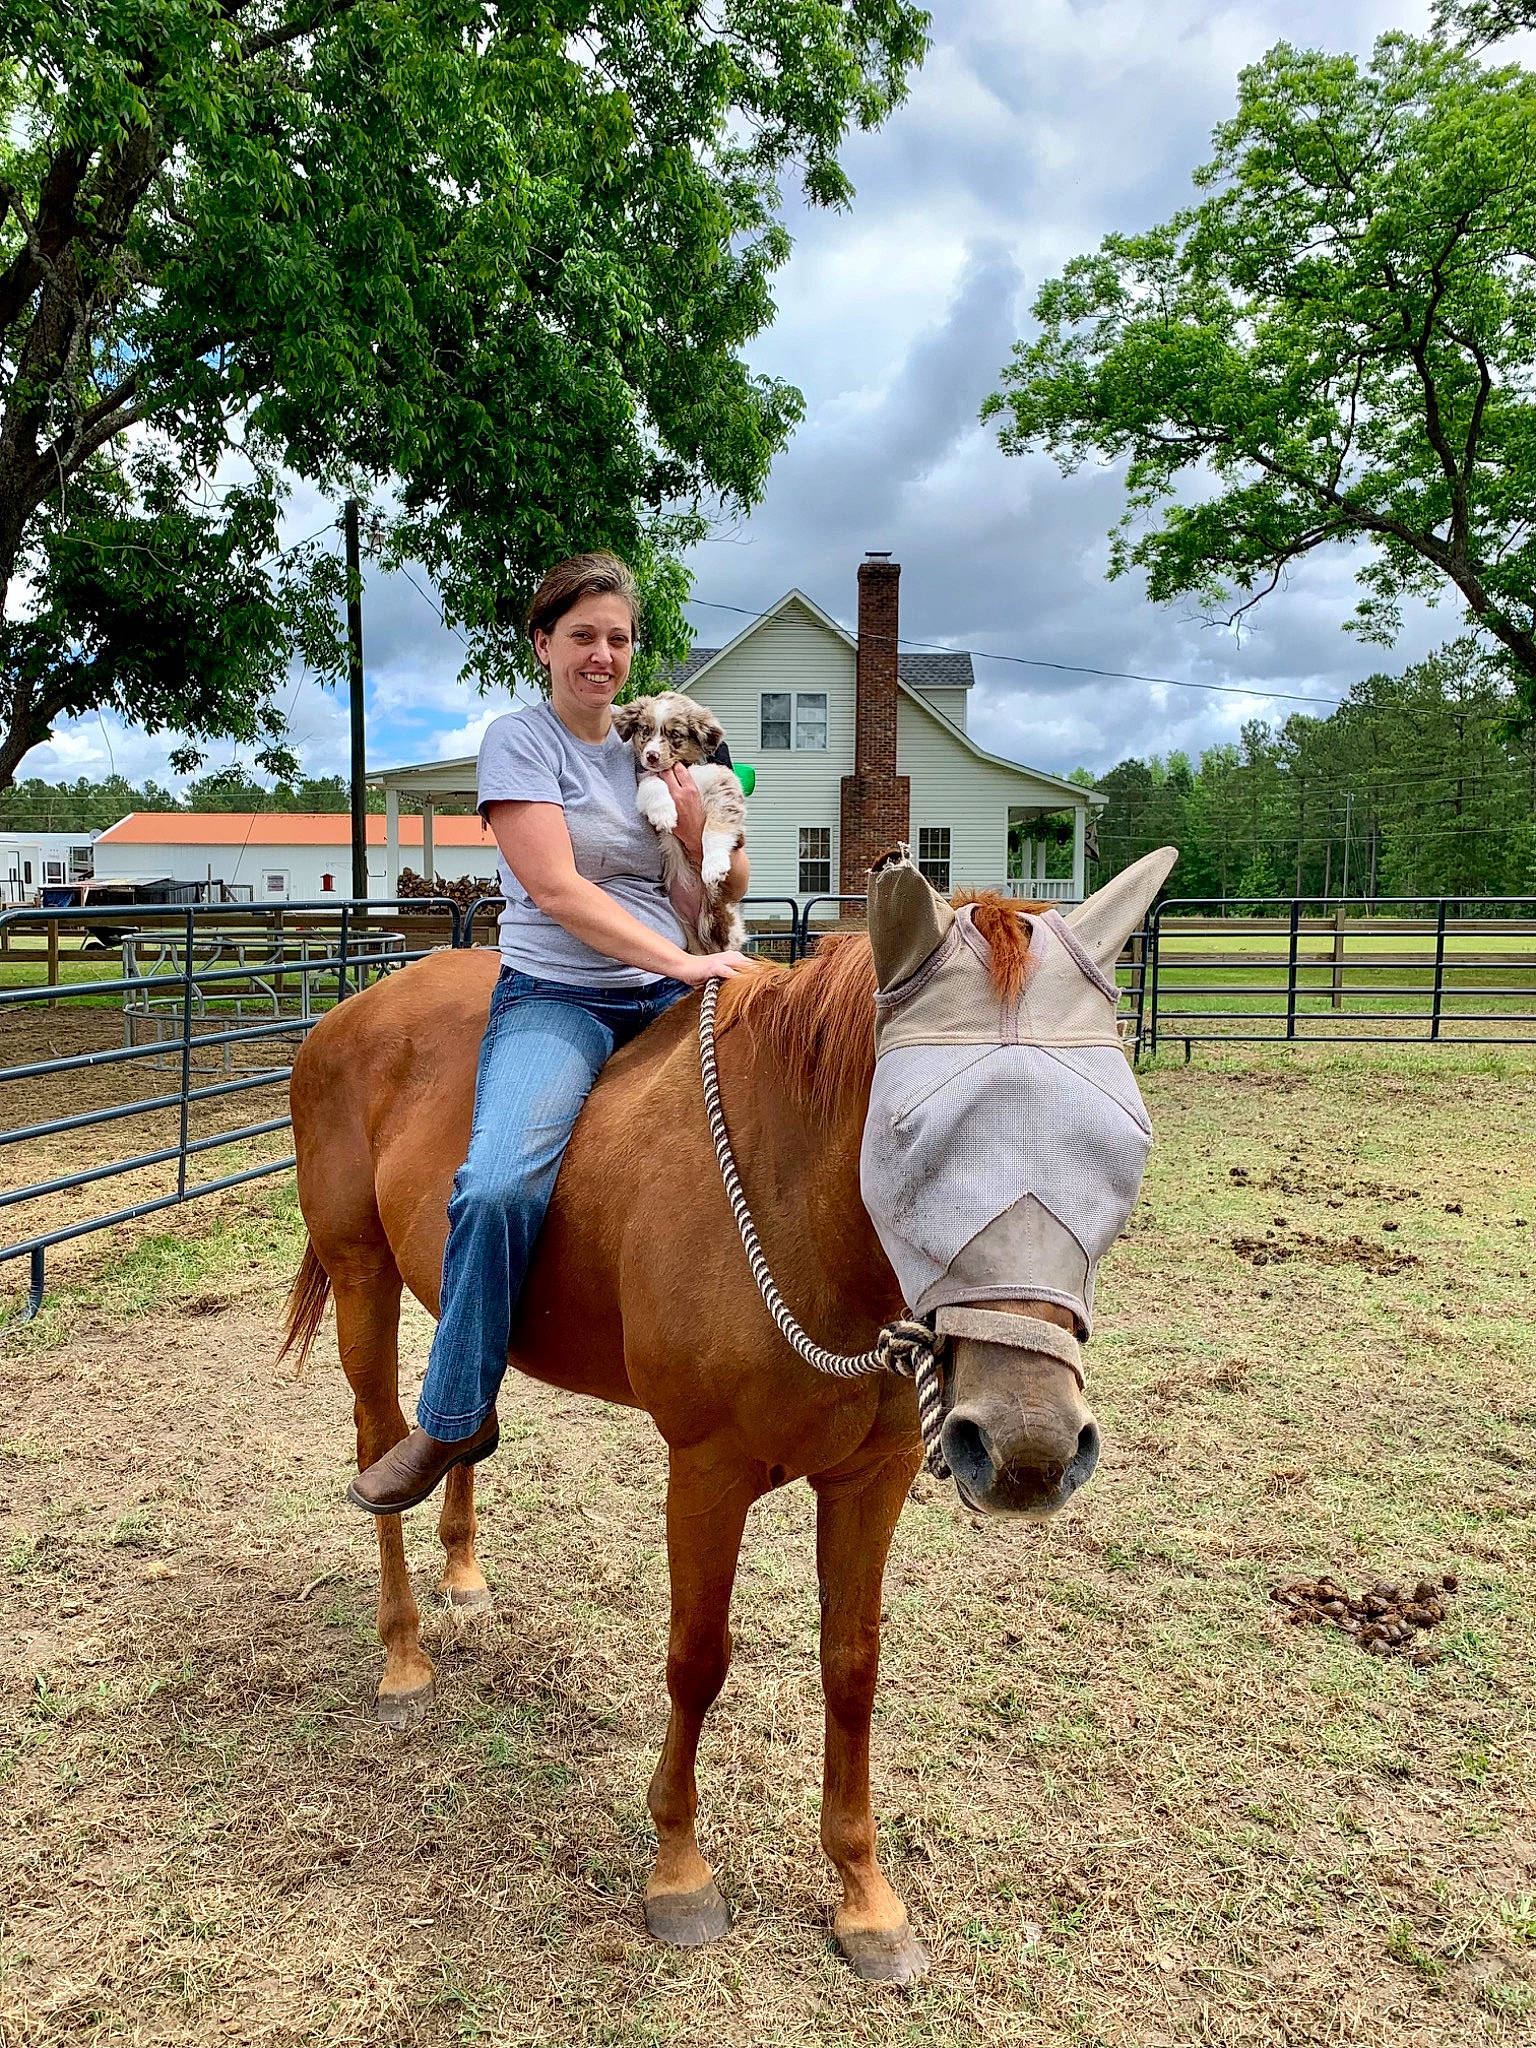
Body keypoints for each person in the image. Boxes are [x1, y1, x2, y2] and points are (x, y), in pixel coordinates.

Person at [348, 552, 752, 1515]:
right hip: (565, 996)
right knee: (495, 1183)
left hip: (676, 979)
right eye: (582, 637)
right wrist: (682, 965)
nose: (602, 656)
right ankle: (453, 1416)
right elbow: (561, 892)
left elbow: (723, 882)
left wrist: (706, 842)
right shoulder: (520, 743)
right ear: (543, 645)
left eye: (617, 638)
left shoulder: (655, 743)